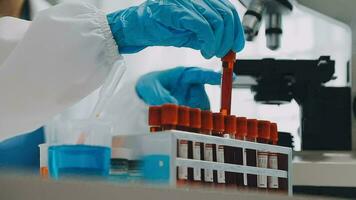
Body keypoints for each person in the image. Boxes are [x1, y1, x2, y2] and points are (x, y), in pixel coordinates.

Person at [0, 0, 245, 169]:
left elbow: (85, 139)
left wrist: (141, 106)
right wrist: (113, 30)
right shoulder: (70, 29)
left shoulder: (59, 25)